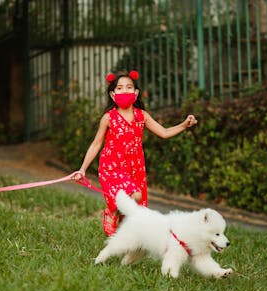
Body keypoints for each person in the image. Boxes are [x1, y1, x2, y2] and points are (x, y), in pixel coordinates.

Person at [75, 70, 197, 236]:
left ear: (136, 92)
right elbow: (96, 144)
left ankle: (123, 241)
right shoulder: (109, 118)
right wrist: (82, 169)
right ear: (112, 94)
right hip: (112, 167)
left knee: (132, 213)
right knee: (136, 195)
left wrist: (184, 125)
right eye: (119, 88)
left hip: (135, 169)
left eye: (129, 87)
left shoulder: (142, 116)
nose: (124, 91)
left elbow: (164, 132)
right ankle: (112, 213)